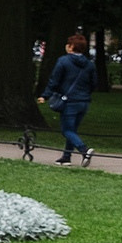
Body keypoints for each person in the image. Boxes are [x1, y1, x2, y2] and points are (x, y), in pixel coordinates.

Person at [45, 34, 95, 163]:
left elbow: (54, 80)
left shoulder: (63, 61)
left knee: (66, 130)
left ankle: (84, 150)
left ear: (71, 47)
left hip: (69, 101)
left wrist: (46, 95)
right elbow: (93, 83)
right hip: (84, 101)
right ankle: (66, 157)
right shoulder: (89, 64)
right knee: (72, 130)